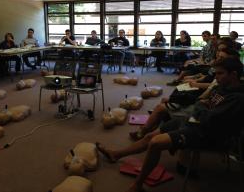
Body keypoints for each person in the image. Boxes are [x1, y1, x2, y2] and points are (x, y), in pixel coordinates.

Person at [97, 57, 244, 192]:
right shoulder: (222, 87)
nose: (216, 77)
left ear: (234, 74)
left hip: (208, 134)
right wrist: (202, 106)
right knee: (150, 136)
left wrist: (201, 106)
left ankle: (138, 185)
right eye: (216, 73)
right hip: (194, 122)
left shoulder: (236, 98)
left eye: (220, 73)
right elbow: (203, 104)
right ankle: (116, 154)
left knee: (155, 142)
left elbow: (207, 116)